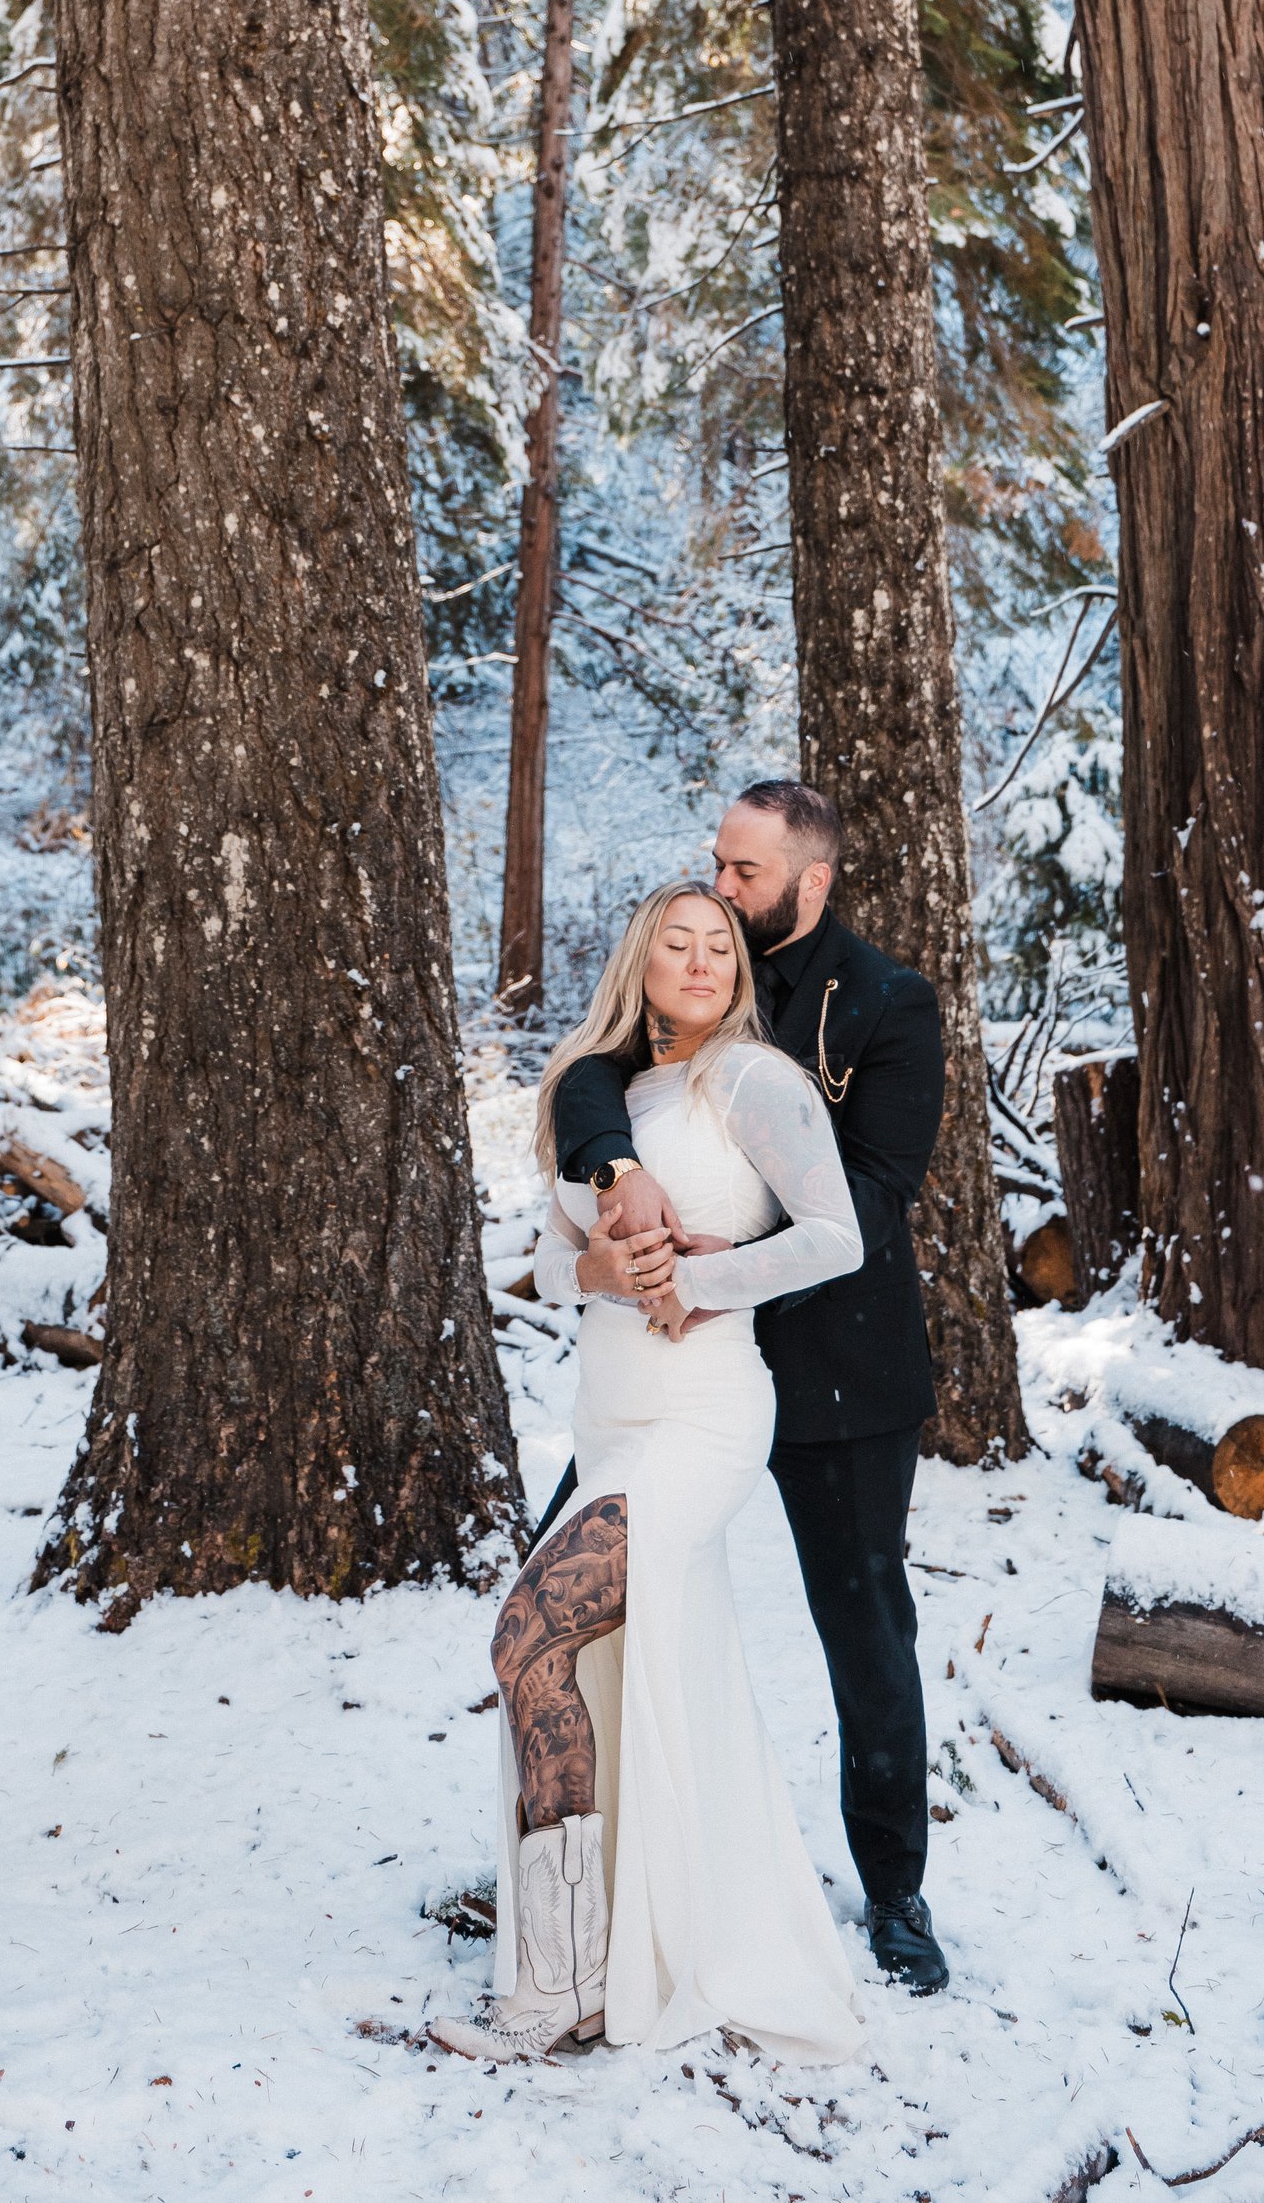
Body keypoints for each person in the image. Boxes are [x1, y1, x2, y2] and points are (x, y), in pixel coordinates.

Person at [439, 881, 866, 2063]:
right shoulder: (611, 1097)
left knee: (526, 1632)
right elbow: (548, 1253)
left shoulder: (755, 1081)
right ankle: (582, 1967)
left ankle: (557, 1986)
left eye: (717, 944)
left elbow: (837, 1236)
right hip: (612, 1416)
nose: (698, 959)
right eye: (674, 942)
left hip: (703, 1410)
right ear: (640, 958)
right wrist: (611, 1276)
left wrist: (698, 1280)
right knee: (574, 1664)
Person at [552, 782, 953, 1998]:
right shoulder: (692, 975)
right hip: (665, 1374)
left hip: (836, 1369)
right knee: (563, 1598)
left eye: (741, 875)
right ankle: (572, 1873)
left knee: (863, 1630)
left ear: (809, 882)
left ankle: (893, 1890)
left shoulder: (889, 1003)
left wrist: (713, 1269)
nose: (715, 893)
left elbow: (873, 1204)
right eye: (712, 870)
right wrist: (616, 1166)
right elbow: (587, 1078)